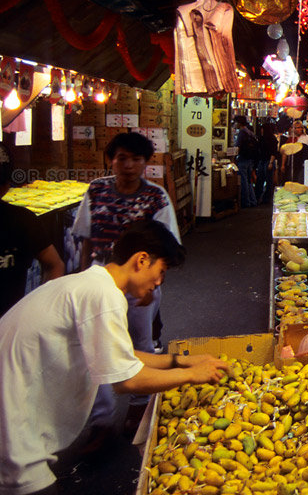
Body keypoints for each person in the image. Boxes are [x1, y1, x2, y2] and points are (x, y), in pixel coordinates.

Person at [0, 220, 229, 495]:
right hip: (12, 419)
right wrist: (192, 375)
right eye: (161, 271)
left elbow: (122, 354)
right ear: (141, 260)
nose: (158, 283)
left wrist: (179, 361)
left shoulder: (91, 283)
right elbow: (126, 381)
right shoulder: (103, 295)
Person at [72, 131, 180, 436]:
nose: (128, 165)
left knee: (140, 344)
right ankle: (100, 421)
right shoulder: (96, 191)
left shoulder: (156, 197)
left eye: (136, 159)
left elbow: (166, 249)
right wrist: (83, 276)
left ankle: (139, 406)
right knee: (97, 350)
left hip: (140, 288)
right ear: (111, 160)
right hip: (100, 281)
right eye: (122, 158)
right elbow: (85, 238)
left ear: (145, 163)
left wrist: (153, 288)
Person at [0, 145, 64, 317]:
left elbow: (54, 265)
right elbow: (55, 265)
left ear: (5, 186)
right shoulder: (25, 219)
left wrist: (37, 311)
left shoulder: (23, 220)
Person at [234, 115, 258, 208]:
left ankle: (246, 202)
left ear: (239, 123)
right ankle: (253, 200)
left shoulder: (242, 133)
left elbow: (238, 147)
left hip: (243, 159)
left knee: (243, 180)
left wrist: (235, 156)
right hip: (250, 159)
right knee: (249, 181)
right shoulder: (250, 132)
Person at [281, 119, 308, 184]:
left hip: (303, 165)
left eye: (298, 127)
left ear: (302, 128)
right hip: (291, 165)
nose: (296, 129)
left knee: (300, 180)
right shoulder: (290, 139)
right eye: (295, 128)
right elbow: (285, 153)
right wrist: (283, 165)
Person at [255, 122, 279, 205]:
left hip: (268, 161)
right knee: (262, 180)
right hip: (263, 161)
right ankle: (261, 197)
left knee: (268, 180)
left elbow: (273, 152)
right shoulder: (263, 138)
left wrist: (271, 163)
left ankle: (265, 198)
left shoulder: (271, 139)